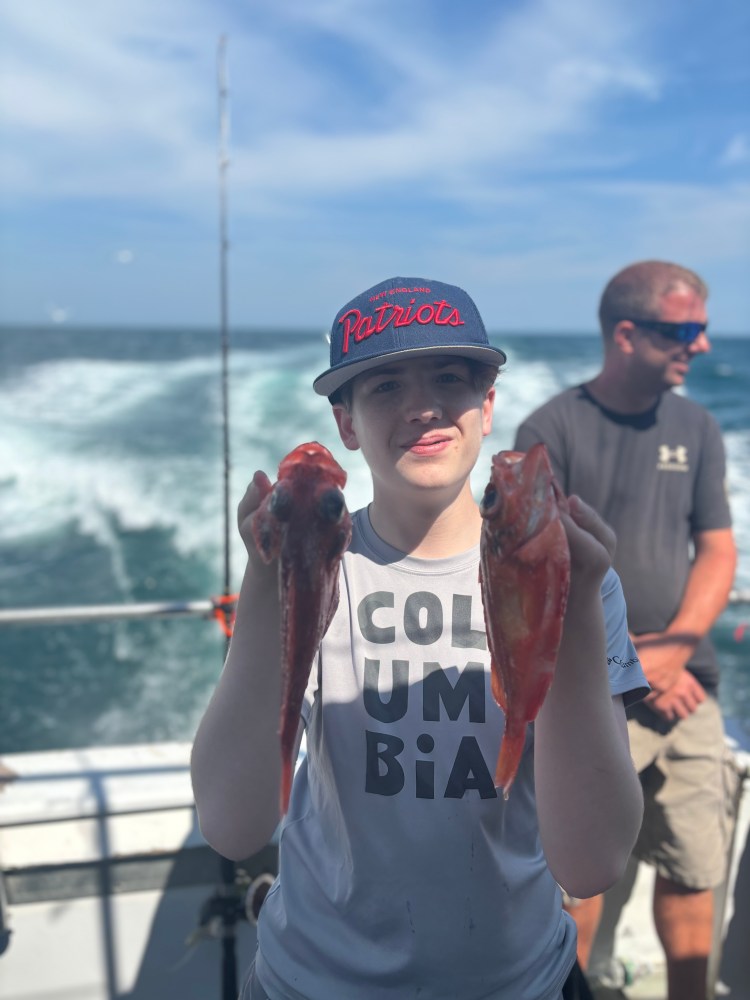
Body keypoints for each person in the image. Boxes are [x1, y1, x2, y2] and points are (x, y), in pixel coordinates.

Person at [191, 276, 647, 1000]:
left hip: (518, 981)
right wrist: (265, 577)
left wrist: (580, 605)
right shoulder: (306, 569)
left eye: (451, 379)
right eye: (383, 387)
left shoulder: (582, 583)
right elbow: (231, 824)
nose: (424, 406)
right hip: (313, 981)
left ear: (488, 406)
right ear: (346, 425)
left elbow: (590, 864)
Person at [514, 260, 738, 1000]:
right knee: (575, 883)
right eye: (684, 330)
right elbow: (532, 566)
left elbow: (717, 548)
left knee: (693, 871)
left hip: (684, 688)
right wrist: (633, 669)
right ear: (626, 334)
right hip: (588, 691)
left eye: (701, 329)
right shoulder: (551, 429)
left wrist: (671, 655)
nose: (701, 346)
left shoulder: (697, 426)